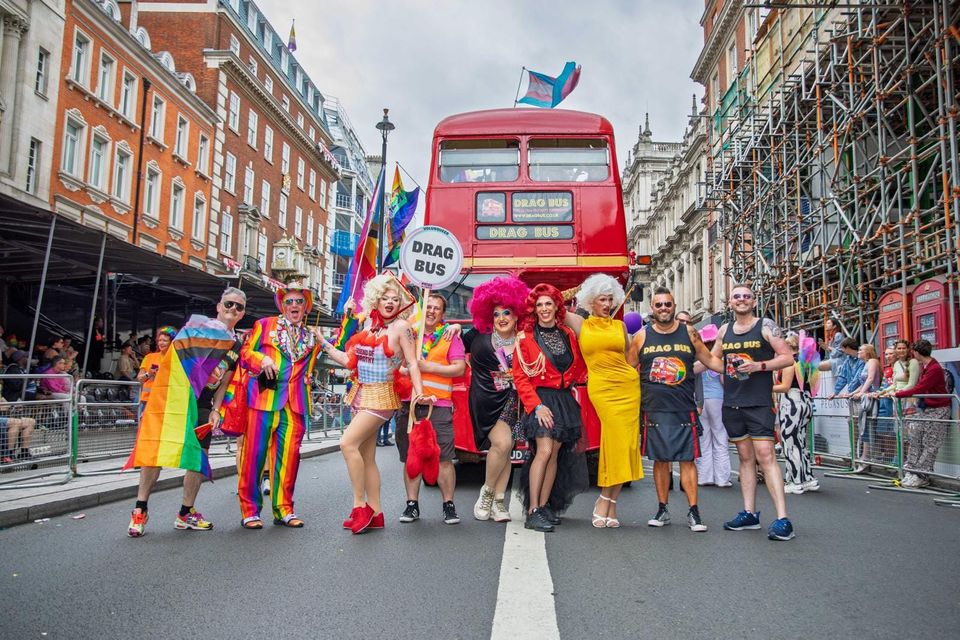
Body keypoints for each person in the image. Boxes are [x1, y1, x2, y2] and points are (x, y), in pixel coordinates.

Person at [127, 287, 246, 537]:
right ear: (218, 306)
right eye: (229, 304)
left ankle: (185, 513)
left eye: (239, 307)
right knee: (156, 451)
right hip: (175, 399)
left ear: (243, 313)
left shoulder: (237, 343)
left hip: (203, 405)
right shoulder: (196, 328)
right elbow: (173, 360)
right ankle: (140, 510)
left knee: (198, 457)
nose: (233, 309)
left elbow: (224, 380)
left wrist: (216, 409)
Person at [321, 273, 431, 534]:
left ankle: (361, 507)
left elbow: (413, 362)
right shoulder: (369, 327)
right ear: (375, 300)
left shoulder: (402, 328)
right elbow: (349, 360)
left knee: (347, 444)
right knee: (367, 457)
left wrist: (420, 392)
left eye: (394, 299)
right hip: (360, 395)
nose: (390, 302)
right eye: (385, 298)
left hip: (382, 397)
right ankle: (377, 512)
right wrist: (323, 343)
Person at [627, 287, 724, 532]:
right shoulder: (641, 336)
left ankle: (694, 511)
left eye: (667, 304)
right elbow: (628, 370)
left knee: (687, 459)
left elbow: (709, 360)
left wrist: (734, 367)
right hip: (653, 407)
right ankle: (662, 509)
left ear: (674, 305)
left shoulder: (689, 332)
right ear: (652, 308)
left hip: (683, 407)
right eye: (658, 305)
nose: (663, 308)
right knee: (661, 460)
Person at [711, 284, 797, 541]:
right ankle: (749, 514)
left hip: (758, 401)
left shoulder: (766, 326)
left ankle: (783, 518)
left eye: (746, 296)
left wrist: (758, 365)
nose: (741, 300)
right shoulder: (725, 330)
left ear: (753, 301)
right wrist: (685, 369)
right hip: (732, 402)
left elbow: (787, 357)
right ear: (730, 302)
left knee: (765, 455)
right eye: (737, 296)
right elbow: (715, 360)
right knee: (745, 457)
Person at [237, 283, 319, 530]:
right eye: (289, 302)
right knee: (254, 455)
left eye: (299, 302)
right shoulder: (264, 325)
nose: (294, 306)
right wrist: (261, 359)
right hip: (264, 400)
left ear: (306, 308)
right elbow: (245, 353)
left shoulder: (311, 336)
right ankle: (250, 510)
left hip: (295, 405)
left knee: (290, 459)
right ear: (282, 306)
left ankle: (284, 509)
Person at [563, 274, 642, 529]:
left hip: (627, 387)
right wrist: (576, 288)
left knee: (624, 445)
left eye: (610, 299)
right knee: (616, 442)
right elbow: (549, 302)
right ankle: (604, 500)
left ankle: (609, 501)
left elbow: (631, 360)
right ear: (590, 302)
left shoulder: (620, 328)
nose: (607, 304)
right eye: (601, 299)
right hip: (602, 388)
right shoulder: (579, 323)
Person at [513, 283, 588, 533]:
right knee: (543, 451)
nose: (544, 308)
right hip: (540, 400)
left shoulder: (568, 334)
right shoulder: (524, 337)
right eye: (539, 305)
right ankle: (533, 510)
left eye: (548, 303)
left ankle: (544, 507)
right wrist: (536, 407)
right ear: (534, 309)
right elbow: (521, 377)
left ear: (557, 306)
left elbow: (578, 367)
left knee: (554, 453)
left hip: (563, 399)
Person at [395, 294, 466, 525]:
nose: (432, 311)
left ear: (442, 314)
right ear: (423, 309)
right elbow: (397, 363)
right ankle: (412, 505)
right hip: (411, 404)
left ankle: (449, 505)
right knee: (410, 457)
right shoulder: (409, 333)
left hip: (439, 405)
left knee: (445, 458)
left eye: (437, 308)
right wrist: (406, 369)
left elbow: (459, 369)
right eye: (429, 307)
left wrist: (428, 366)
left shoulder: (449, 336)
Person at [467, 275, 529, 524]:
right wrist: (448, 328)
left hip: (516, 404)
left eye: (507, 312)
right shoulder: (477, 337)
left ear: (516, 316)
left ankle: (499, 503)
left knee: (506, 448)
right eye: (496, 314)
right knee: (502, 444)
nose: (501, 318)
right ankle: (488, 492)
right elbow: (449, 347)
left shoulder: (527, 341)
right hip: (487, 401)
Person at [893, 339, 951, 488]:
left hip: (939, 410)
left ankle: (921, 475)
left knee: (931, 443)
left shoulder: (934, 368)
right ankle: (913, 470)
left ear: (917, 353)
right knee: (916, 437)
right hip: (928, 409)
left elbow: (920, 387)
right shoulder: (927, 366)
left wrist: (899, 394)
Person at [772, 335, 819, 494]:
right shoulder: (806, 362)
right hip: (806, 401)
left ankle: (795, 480)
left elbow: (785, 386)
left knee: (789, 442)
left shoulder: (789, 362)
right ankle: (807, 478)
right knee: (800, 441)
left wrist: (766, 388)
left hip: (791, 402)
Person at [694, 324, 731, 487]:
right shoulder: (719, 359)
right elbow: (724, 380)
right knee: (720, 437)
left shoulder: (698, 358)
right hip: (718, 399)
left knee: (704, 438)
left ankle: (704, 476)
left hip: (701, 401)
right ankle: (722, 478)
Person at [847, 344, 881, 468]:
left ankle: (867, 456)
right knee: (863, 426)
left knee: (867, 425)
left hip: (871, 398)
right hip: (865, 397)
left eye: (861, 349)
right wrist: (852, 393)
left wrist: (861, 393)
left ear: (868, 352)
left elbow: (870, 378)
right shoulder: (866, 363)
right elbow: (863, 383)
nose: (858, 351)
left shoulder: (872, 361)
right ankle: (865, 456)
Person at [136, 327, 177, 414]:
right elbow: (139, 379)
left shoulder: (176, 360)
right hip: (148, 400)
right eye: (160, 340)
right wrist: (149, 374)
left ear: (171, 343)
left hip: (167, 401)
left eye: (165, 340)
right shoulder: (149, 357)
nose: (161, 343)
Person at [0, 397, 36, 463]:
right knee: (16, 423)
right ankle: (9, 454)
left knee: (31, 422)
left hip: (3, 416)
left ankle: (24, 453)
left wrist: (10, 406)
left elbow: (6, 404)